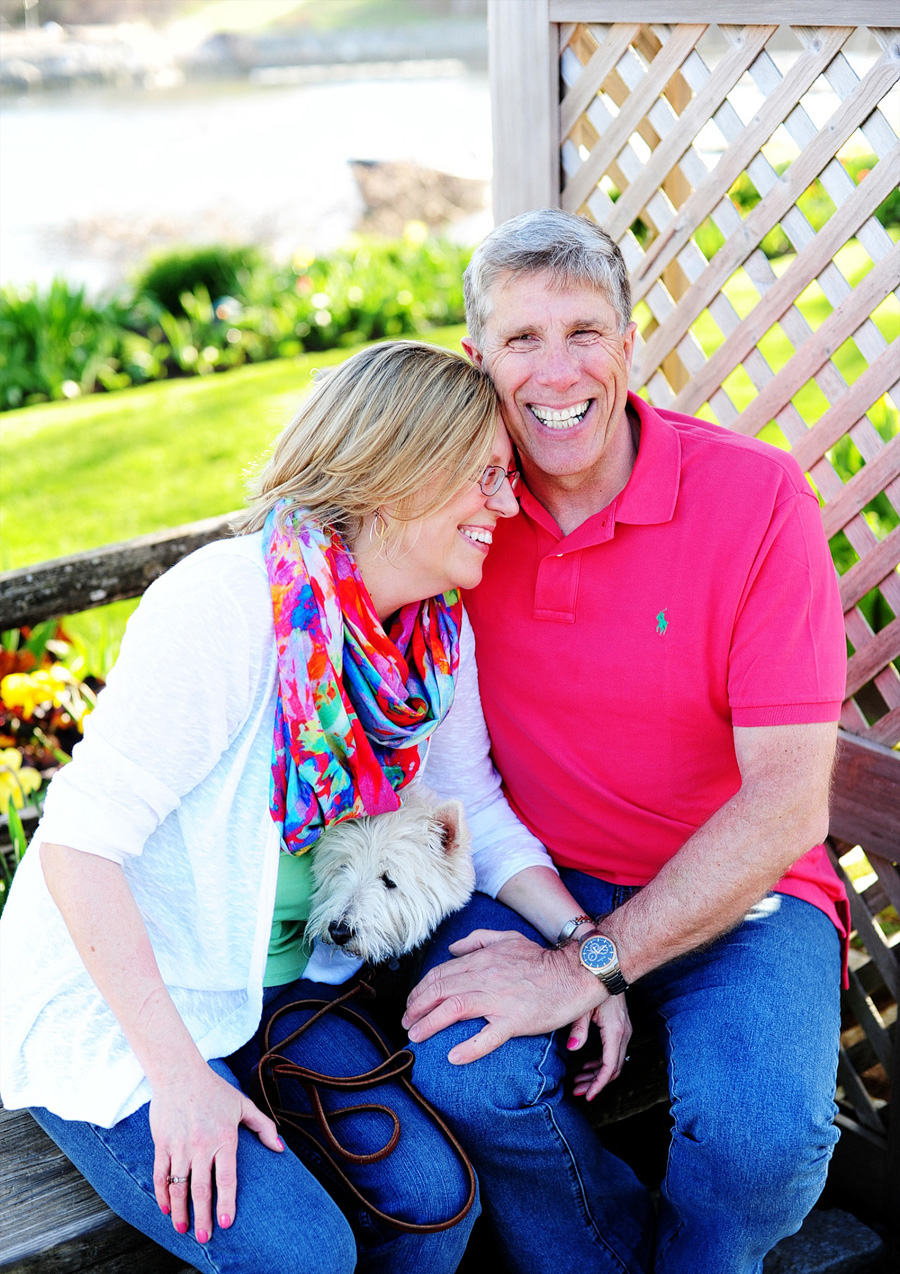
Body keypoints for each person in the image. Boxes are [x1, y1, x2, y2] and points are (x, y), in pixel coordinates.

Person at [0, 339, 544, 1274]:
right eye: (485, 475)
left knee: (433, 1207)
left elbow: (475, 814)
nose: (509, 502)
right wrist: (177, 1081)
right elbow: (80, 846)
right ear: (395, 474)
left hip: (278, 991)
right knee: (301, 1255)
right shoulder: (226, 608)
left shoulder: (429, 638)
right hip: (125, 1005)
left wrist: (588, 957)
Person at [401, 211, 849, 1274]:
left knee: (765, 1141)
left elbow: (788, 803)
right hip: (529, 871)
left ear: (632, 343)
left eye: (584, 331)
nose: (557, 371)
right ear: (478, 360)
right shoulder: (459, 510)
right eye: (521, 339)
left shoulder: (755, 498)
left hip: (747, 889)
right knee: (464, 1067)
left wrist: (588, 967)